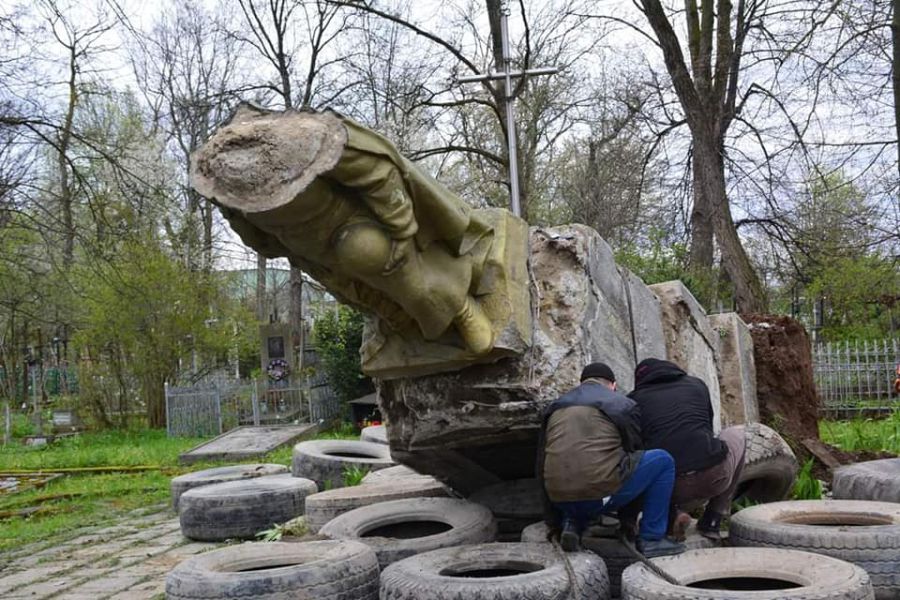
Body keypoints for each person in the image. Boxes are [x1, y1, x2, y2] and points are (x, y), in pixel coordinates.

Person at [192, 104, 495, 356]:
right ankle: (403, 327)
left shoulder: (313, 142)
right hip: (305, 247)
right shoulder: (224, 182)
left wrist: (402, 230)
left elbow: (379, 173)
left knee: (371, 254)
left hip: (349, 225)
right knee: (358, 292)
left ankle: (457, 305)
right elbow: (263, 244)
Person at [536, 362, 685, 557]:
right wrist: (628, 520)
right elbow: (634, 454)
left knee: (573, 466)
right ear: (613, 385)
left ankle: (571, 525)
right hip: (599, 496)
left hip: (559, 498)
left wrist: (552, 522)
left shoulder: (554, 407)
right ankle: (652, 539)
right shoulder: (620, 403)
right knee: (662, 461)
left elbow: (541, 464)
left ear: (581, 383)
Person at [628, 358, 747, 541]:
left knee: (649, 459)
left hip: (669, 486)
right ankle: (713, 519)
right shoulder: (697, 385)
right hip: (714, 477)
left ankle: (670, 516)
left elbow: (636, 447)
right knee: (736, 434)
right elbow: (707, 427)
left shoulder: (633, 400)